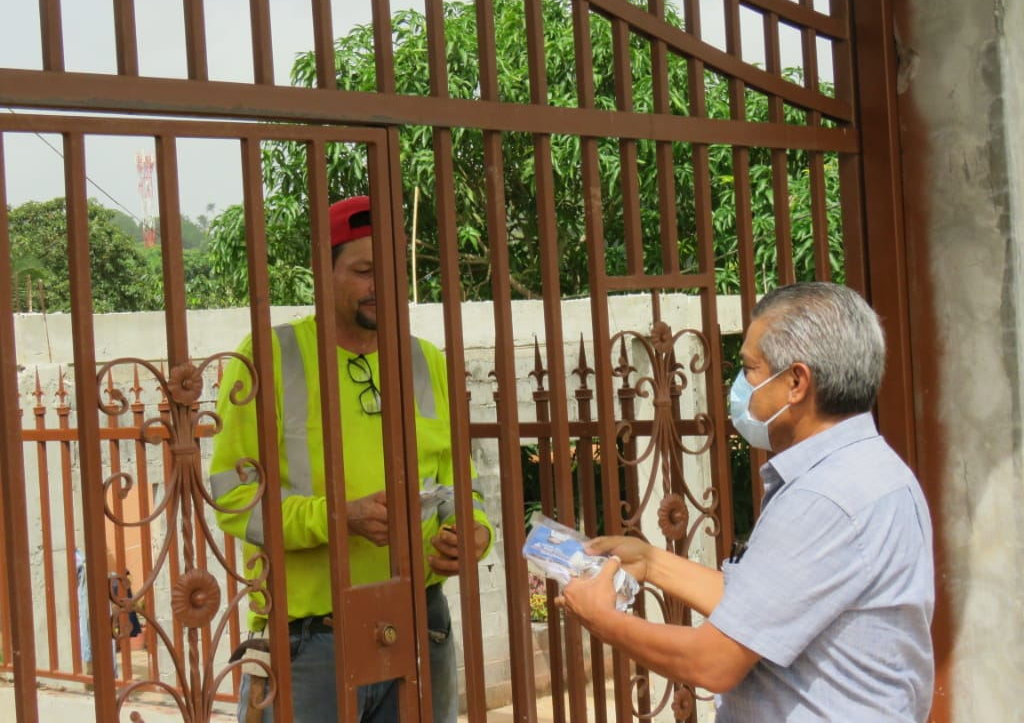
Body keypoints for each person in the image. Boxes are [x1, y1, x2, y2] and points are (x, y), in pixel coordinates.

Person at [558, 281, 934, 722]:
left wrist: (603, 619)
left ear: (796, 382)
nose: (741, 386)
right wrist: (652, 563)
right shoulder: (872, 470)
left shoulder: (824, 496)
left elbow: (712, 661)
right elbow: (762, 605)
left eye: (751, 369)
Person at [210, 195, 494, 723]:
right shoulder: (270, 356)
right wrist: (339, 519)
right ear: (324, 273)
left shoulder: (424, 359)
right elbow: (234, 498)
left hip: (419, 622)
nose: (381, 285)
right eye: (364, 271)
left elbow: (459, 480)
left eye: (392, 271)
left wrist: (473, 531)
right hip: (312, 640)